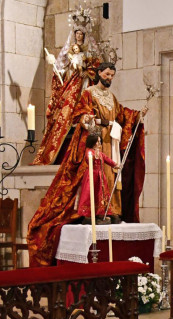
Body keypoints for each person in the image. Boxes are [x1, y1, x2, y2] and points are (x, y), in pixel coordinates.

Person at [27, 62, 147, 267]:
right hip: (96, 141)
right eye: (107, 74)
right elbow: (82, 116)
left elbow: (121, 114)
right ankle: (93, 212)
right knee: (95, 177)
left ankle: (112, 211)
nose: (110, 78)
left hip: (111, 144)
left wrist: (136, 115)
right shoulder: (89, 93)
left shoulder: (111, 97)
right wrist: (100, 122)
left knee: (111, 176)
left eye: (112, 75)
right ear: (99, 73)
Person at [32, 27, 100, 166]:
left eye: (81, 33)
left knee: (85, 97)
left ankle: (82, 115)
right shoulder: (70, 53)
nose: (79, 36)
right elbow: (63, 67)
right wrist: (59, 69)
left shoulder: (87, 52)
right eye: (77, 34)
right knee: (68, 104)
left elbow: (95, 66)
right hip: (74, 79)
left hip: (85, 79)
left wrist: (86, 71)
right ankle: (74, 118)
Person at [77, 134, 118, 221]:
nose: (99, 143)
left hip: (100, 176)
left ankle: (100, 213)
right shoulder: (89, 151)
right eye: (97, 141)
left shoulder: (100, 153)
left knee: (101, 194)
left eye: (100, 141)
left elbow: (107, 159)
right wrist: (94, 155)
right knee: (89, 193)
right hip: (91, 175)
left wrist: (115, 165)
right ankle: (87, 214)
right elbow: (88, 158)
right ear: (93, 142)